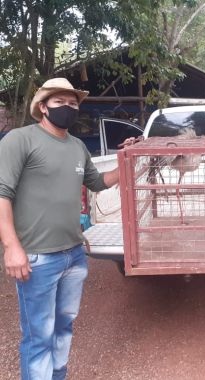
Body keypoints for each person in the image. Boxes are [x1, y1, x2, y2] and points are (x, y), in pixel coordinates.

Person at [0, 78, 120, 380]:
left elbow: (97, 182)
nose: (68, 108)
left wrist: (130, 163)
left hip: (74, 255)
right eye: (59, 103)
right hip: (37, 258)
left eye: (73, 103)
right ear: (42, 107)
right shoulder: (20, 139)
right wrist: (12, 247)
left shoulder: (77, 146)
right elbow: (2, 193)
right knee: (39, 337)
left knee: (64, 327)